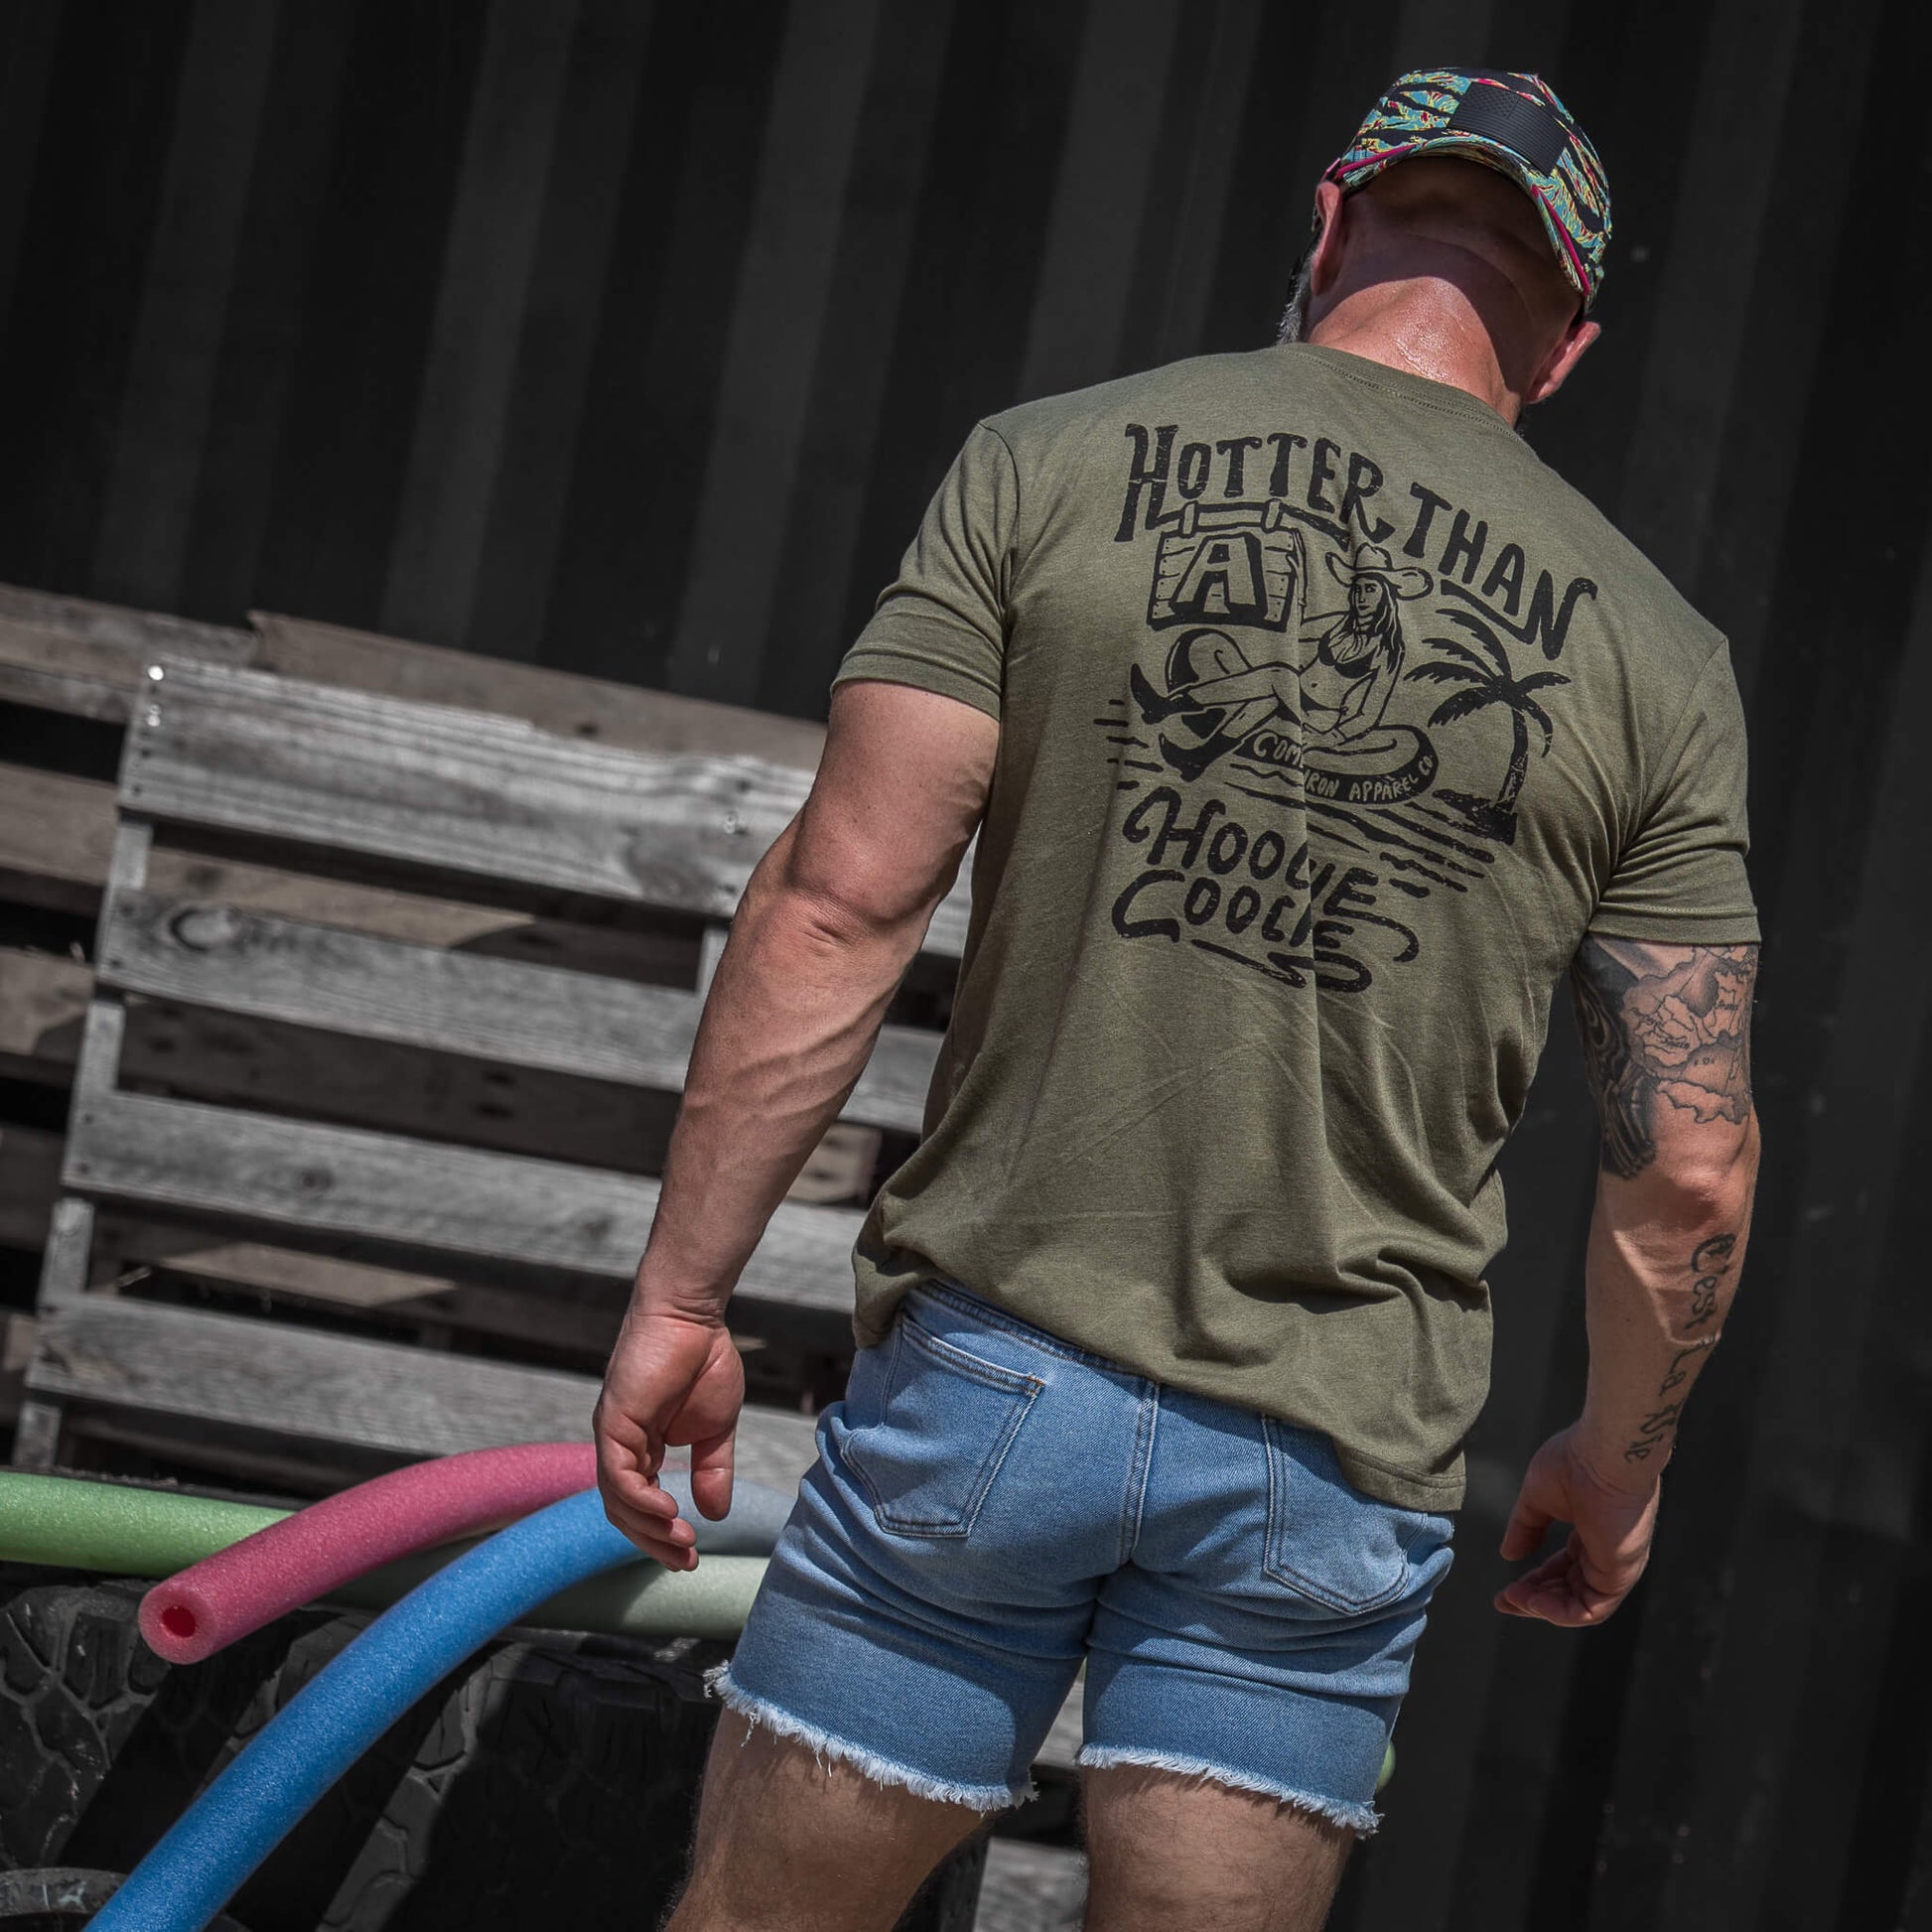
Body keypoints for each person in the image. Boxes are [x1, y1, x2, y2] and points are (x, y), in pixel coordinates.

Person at [595, 67, 1760, 1930]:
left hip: (994, 1373)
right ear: (1566, 347)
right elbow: (1684, 1163)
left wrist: (681, 1295)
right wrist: (1616, 1461)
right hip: (1330, 1455)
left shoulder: (1045, 463)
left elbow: (841, 898)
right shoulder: (1660, 665)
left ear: (1328, 224)